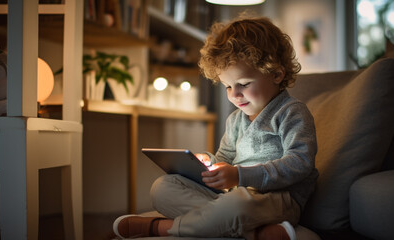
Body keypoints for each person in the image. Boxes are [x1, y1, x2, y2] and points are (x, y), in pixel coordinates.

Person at [113, 16, 318, 240]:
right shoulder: (235, 120)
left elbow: (300, 163)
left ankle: (162, 227)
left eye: (244, 84)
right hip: (232, 195)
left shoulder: (292, 112)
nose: (234, 94)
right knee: (162, 188)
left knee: (237, 206)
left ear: (276, 75)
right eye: (227, 86)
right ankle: (254, 233)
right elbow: (226, 159)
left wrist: (241, 175)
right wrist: (208, 163)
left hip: (278, 199)